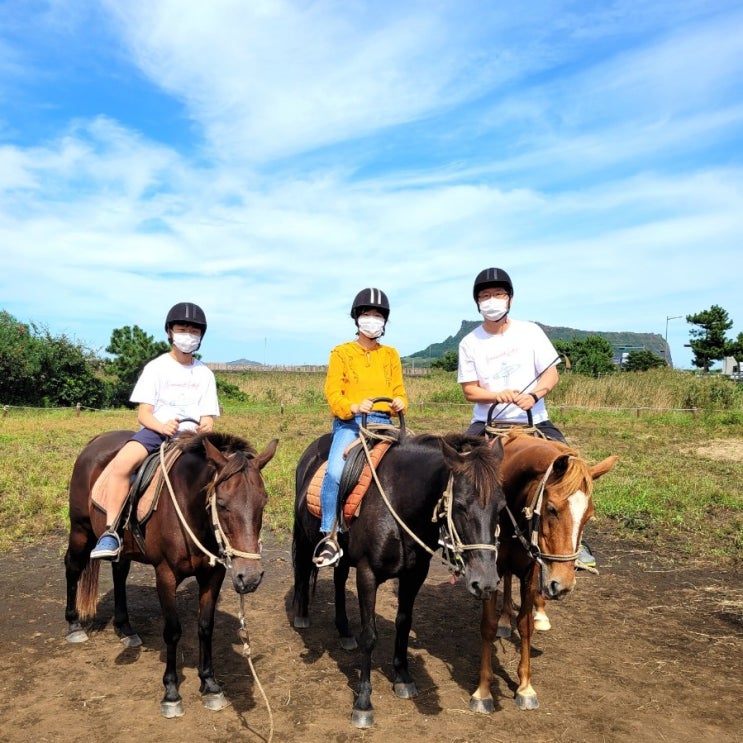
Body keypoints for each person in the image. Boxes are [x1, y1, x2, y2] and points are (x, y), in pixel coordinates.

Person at [457, 268, 596, 569]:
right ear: (477, 303)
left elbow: (551, 373)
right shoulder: (470, 342)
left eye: (498, 294)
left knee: (573, 470)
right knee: (461, 471)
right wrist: (496, 395)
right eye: (484, 296)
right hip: (488, 423)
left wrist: (534, 395)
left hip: (535, 420)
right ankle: (458, 538)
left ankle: (577, 540)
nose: (491, 300)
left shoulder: (531, 332)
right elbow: (469, 390)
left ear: (510, 298)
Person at [90, 302, 220, 560]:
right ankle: (111, 532)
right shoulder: (156, 368)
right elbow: (143, 413)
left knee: (229, 474)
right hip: (156, 434)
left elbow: (208, 414)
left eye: (194, 331)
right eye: (183, 329)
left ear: (201, 337)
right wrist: (162, 426)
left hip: (193, 439)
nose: (188, 335)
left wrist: (207, 425)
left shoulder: (205, 374)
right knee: (122, 465)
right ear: (170, 332)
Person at [313, 288, 408, 568]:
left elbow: (398, 390)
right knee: (334, 472)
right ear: (357, 318)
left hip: (386, 424)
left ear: (384, 322)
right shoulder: (341, 353)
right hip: (352, 425)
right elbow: (333, 392)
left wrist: (400, 402)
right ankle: (329, 534)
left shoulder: (390, 354)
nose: (373, 319)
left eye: (378, 315)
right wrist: (353, 406)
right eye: (367, 314)